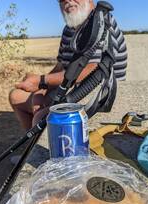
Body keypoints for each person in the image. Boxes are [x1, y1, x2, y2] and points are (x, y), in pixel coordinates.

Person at [9, 0, 127, 131]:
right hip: (71, 90)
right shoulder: (70, 27)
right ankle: (31, 146)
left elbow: (91, 70)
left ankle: (39, 147)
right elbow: (61, 66)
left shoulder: (100, 22)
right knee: (16, 96)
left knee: (41, 117)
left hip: (98, 94)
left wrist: (40, 81)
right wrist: (41, 88)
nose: (67, 1)